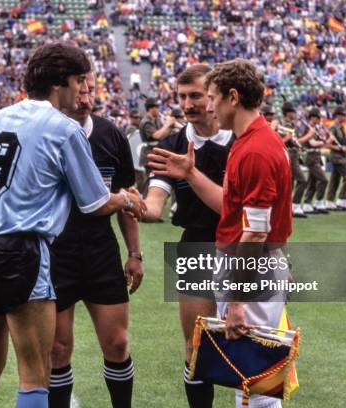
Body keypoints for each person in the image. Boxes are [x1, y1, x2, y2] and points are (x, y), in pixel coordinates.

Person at [0, 43, 145, 408]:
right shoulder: (64, 129)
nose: (82, 90)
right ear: (62, 83)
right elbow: (96, 202)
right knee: (35, 375)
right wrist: (128, 200)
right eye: (79, 81)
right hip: (22, 251)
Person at [148, 58, 292, 408]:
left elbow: (255, 233)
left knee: (254, 382)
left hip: (251, 264)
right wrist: (189, 176)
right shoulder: (250, 142)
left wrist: (238, 299)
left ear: (231, 97)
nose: (205, 106)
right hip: (231, 256)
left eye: (208, 96)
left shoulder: (255, 149)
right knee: (241, 371)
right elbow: (232, 206)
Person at [49, 71, 142, 408]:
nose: (86, 99)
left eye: (91, 92)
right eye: (80, 92)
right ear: (61, 93)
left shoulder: (110, 135)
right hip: (55, 253)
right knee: (57, 348)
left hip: (101, 253)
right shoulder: (47, 134)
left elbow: (126, 198)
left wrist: (135, 253)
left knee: (117, 343)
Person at [143, 64, 233, 408]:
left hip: (244, 246)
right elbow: (156, 201)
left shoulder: (241, 141)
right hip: (195, 245)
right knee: (197, 345)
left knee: (255, 342)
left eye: (195, 95)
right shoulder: (172, 144)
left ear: (212, 96)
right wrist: (138, 207)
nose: (187, 103)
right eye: (182, 96)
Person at [277, 102, 308, 218]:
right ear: (288, 113)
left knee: (290, 183)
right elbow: (283, 141)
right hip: (289, 154)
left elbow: (295, 141)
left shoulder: (290, 124)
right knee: (302, 180)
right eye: (293, 112)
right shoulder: (284, 125)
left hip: (293, 154)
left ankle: (286, 207)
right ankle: (294, 205)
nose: (295, 114)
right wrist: (309, 135)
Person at [326, 106, 346, 210]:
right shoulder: (333, 128)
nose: (344, 117)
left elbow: (345, 141)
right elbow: (328, 145)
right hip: (337, 157)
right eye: (343, 115)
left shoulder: (341, 127)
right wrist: (341, 149)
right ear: (338, 116)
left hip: (341, 156)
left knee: (335, 179)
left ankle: (329, 201)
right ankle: (343, 199)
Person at [301, 107, 329, 214]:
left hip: (316, 156)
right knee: (323, 180)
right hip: (311, 156)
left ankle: (307, 203)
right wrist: (323, 142)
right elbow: (312, 143)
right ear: (312, 118)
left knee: (312, 182)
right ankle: (318, 202)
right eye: (317, 118)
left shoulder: (315, 128)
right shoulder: (309, 129)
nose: (319, 120)